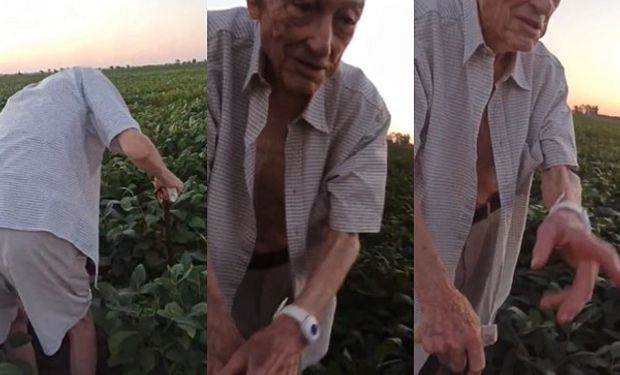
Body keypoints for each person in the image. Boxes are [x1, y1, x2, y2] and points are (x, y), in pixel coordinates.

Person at [414, 0, 620, 374]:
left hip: (490, 243)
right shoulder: (421, 32)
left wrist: (568, 214)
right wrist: (433, 290)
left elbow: (561, 166)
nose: (544, 5)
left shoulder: (546, 71)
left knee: (461, 353)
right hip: (423, 239)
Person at [207, 0, 390, 373]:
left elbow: (345, 237)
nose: (323, 43)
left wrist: (296, 323)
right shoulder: (212, 52)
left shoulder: (361, 108)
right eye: (305, 7)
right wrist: (216, 327)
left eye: (345, 21)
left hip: (296, 276)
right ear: (257, 4)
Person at [0, 67, 183, 375]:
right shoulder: (88, 79)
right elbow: (135, 146)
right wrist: (166, 176)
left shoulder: (20, 102)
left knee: (16, 319)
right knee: (80, 326)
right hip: (36, 223)